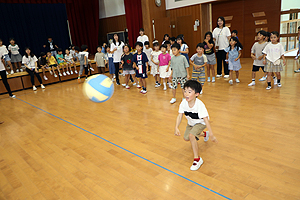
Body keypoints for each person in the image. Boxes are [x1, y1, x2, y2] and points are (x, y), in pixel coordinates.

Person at [174, 80, 217, 171]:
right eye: (185, 91)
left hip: (201, 123)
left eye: (189, 92)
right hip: (191, 123)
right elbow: (180, 115)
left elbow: (206, 119)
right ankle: (205, 134)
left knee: (191, 135)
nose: (186, 93)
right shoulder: (183, 103)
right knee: (186, 138)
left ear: (196, 94)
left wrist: (212, 134)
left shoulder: (199, 105)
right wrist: (176, 127)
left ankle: (197, 159)